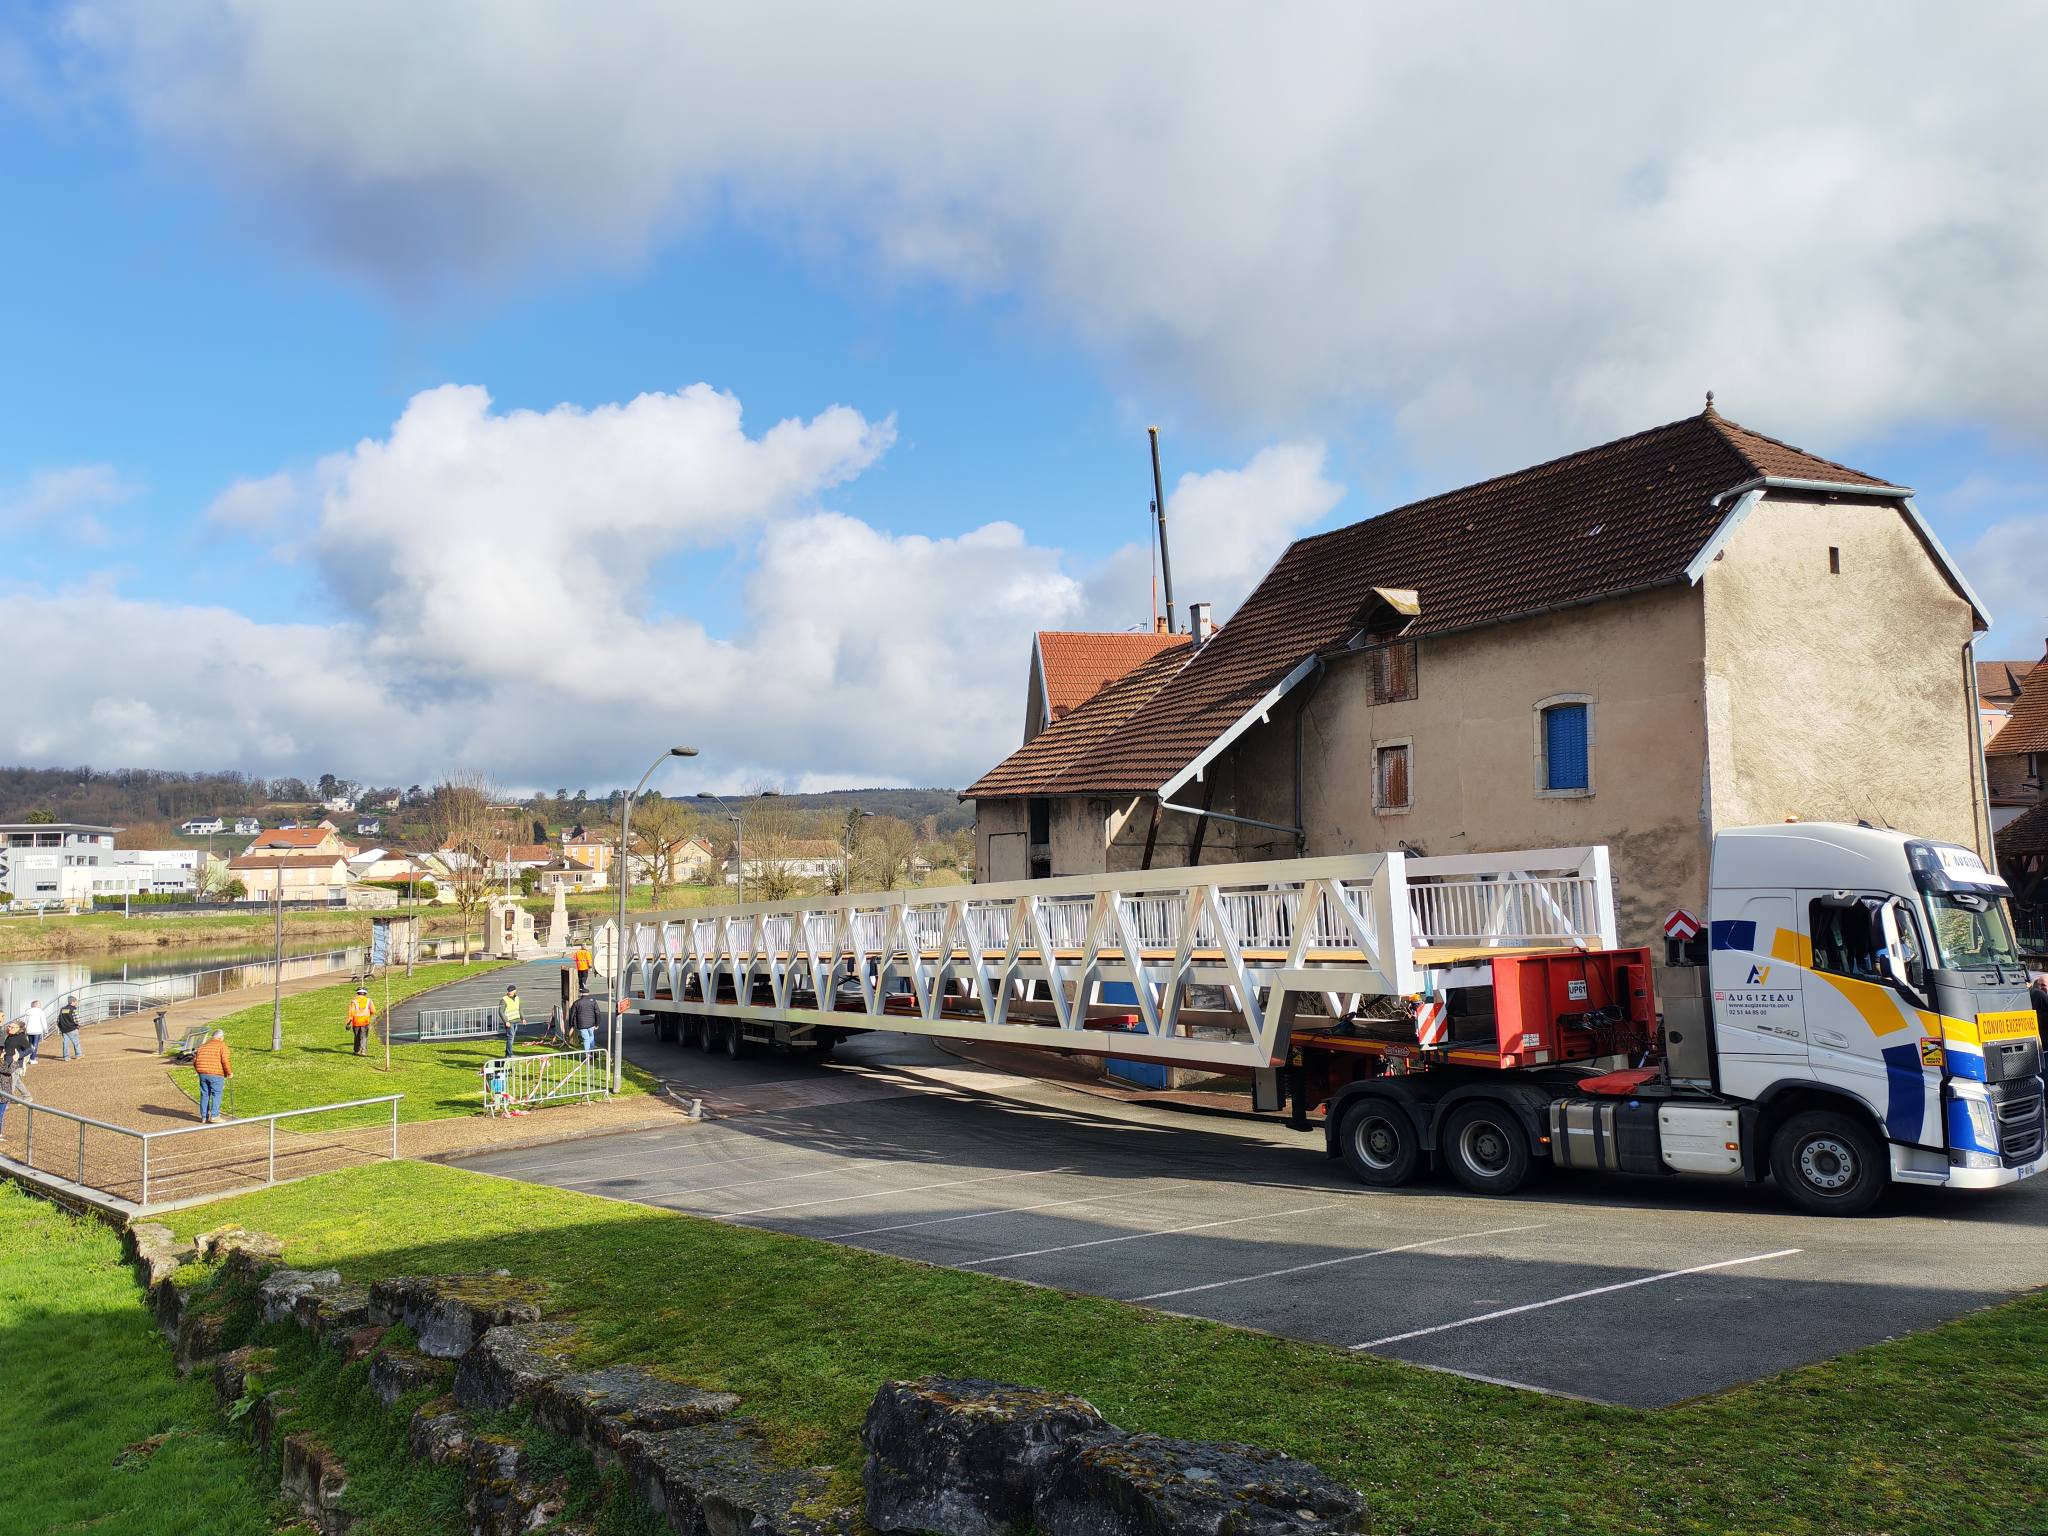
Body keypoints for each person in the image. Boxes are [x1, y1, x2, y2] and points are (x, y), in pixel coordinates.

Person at [192, 1029, 232, 1124]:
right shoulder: (222, 1046)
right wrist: (229, 1072)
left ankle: (204, 1117)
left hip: (203, 1073)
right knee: (216, 1094)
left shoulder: (202, 1046)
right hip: (216, 1074)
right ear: (221, 1037)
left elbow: (195, 1060)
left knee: (205, 1094)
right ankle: (214, 1116)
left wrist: (199, 1071)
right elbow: (225, 1061)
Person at [567, 987, 606, 1056]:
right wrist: (597, 1023)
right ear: (588, 993)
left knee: (586, 1039)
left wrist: (571, 1025)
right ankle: (592, 1052)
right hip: (591, 1024)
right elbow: (597, 1013)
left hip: (581, 1024)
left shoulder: (577, 1002)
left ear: (581, 994)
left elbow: (572, 1014)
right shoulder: (593, 1001)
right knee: (591, 1037)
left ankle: (588, 1054)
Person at [346, 987, 377, 1056]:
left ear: (357, 993)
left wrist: (348, 1023)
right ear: (365, 993)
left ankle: (356, 1051)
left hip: (356, 1022)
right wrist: (368, 1015)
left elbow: (351, 1013)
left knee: (357, 1036)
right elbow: (373, 1011)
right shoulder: (369, 1001)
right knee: (364, 1036)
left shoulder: (354, 1001)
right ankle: (363, 1051)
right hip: (365, 1021)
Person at [498, 984, 523, 1056]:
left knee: (511, 1037)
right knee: (510, 1037)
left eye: (511, 991)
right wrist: (506, 1021)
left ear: (515, 991)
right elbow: (501, 1012)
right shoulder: (504, 999)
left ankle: (507, 1054)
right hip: (509, 1022)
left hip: (515, 1021)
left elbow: (520, 1009)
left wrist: (523, 1018)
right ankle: (509, 1054)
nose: (510, 992)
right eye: (509, 991)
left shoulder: (517, 998)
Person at [20, 998, 47, 1063]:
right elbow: (43, 1021)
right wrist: (45, 1030)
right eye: (39, 1004)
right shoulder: (40, 1011)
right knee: (35, 1044)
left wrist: (24, 1029)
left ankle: (29, 1057)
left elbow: (24, 1021)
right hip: (37, 1030)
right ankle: (32, 1058)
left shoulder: (27, 1011)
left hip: (29, 1030)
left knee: (30, 1044)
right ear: (36, 1005)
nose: (40, 1005)